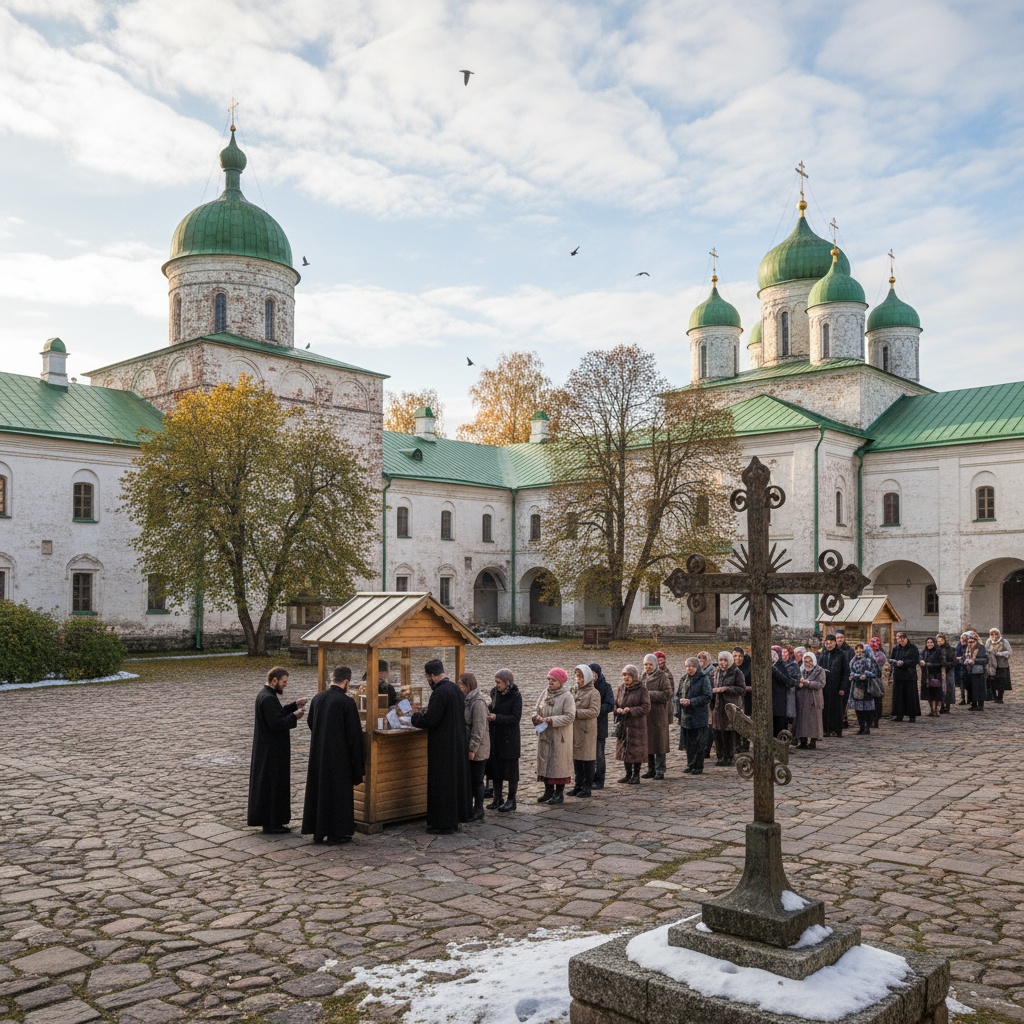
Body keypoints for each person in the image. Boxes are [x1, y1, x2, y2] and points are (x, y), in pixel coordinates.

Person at [301, 665, 364, 845]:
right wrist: (358, 760)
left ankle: (318, 830)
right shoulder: (346, 702)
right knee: (337, 793)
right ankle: (337, 832)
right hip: (339, 755)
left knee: (319, 791)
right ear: (346, 682)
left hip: (319, 753)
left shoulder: (318, 698)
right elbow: (353, 734)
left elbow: (311, 722)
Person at [410, 659, 470, 834]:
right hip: (457, 743)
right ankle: (454, 820)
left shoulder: (439, 693)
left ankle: (443, 823)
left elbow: (431, 720)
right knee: (454, 784)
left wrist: (415, 717)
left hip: (443, 746)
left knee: (442, 785)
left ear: (432, 675)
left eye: (427, 677)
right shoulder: (455, 689)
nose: (428, 681)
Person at [248, 666, 306, 835]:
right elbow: (276, 723)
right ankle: (272, 823)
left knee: (273, 785)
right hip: (271, 751)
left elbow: (277, 713)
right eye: (284, 682)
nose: (285, 685)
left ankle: (274, 821)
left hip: (269, 749)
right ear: (274, 680)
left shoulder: (267, 695)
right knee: (272, 786)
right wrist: (294, 716)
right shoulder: (267, 698)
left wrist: (294, 705)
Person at [533, 668, 576, 804]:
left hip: (560, 737)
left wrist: (551, 720)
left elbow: (570, 716)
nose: (550, 682)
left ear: (560, 682)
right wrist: (536, 717)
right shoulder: (545, 693)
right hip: (545, 734)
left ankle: (559, 793)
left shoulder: (567, 696)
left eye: (553, 680)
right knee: (546, 763)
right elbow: (536, 708)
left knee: (558, 765)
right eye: (549, 679)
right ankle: (548, 791)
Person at [457, 673, 491, 821]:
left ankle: (478, 808)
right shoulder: (466, 700)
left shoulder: (478, 703)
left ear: (467, 685)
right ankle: (468, 807)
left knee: (477, 780)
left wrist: (472, 749)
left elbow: (478, 728)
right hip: (467, 745)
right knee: (469, 779)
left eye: (461, 684)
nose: (459, 687)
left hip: (478, 748)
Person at [487, 669, 522, 812]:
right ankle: (497, 798)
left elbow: (515, 718)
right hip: (496, 737)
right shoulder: (494, 693)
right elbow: (492, 707)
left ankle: (511, 800)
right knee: (496, 769)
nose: (497, 685)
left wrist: (497, 718)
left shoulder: (515, 696)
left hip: (509, 739)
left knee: (511, 771)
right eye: (496, 682)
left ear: (507, 682)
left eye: (499, 682)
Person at [614, 663, 650, 784]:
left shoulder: (642, 689)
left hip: (637, 725)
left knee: (636, 750)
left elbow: (646, 707)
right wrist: (617, 710)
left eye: (629, 675)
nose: (626, 677)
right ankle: (628, 774)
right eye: (624, 675)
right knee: (625, 749)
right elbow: (615, 703)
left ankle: (636, 775)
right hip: (624, 725)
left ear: (634, 676)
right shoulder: (621, 688)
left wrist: (631, 710)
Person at [710, 651, 746, 767]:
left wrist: (727, 689)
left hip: (730, 706)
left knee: (728, 732)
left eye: (725, 660)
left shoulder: (736, 672)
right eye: (720, 660)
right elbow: (712, 686)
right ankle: (720, 756)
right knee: (718, 731)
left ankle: (729, 757)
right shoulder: (716, 671)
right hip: (718, 706)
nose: (722, 663)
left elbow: (742, 689)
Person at [641, 653, 673, 779]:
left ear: (655, 664)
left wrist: (649, 695)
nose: (648, 667)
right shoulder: (643, 676)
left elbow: (667, 694)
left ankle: (660, 769)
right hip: (647, 715)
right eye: (646, 664)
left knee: (659, 742)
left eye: (650, 664)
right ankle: (651, 769)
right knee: (648, 742)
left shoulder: (663, 676)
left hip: (659, 714)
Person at [569, 665, 600, 797]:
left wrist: (576, 713)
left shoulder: (594, 693)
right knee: (577, 759)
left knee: (587, 759)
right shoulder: (574, 690)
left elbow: (594, 711)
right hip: (575, 729)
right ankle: (578, 785)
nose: (579, 679)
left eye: (581, 677)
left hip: (587, 731)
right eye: (577, 676)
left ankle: (587, 787)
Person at [678, 657, 712, 775]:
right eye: (687, 666)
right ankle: (690, 764)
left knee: (699, 743)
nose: (690, 669)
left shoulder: (703, 679)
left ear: (697, 667)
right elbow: (678, 694)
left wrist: (692, 701)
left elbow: (707, 696)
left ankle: (698, 766)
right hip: (686, 717)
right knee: (688, 744)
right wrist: (679, 700)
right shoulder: (684, 679)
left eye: (692, 666)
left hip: (699, 716)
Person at [589, 663, 616, 789]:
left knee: (599, 754)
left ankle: (599, 780)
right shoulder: (586, 687)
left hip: (600, 725)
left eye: (594, 674)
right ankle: (589, 779)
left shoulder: (605, 686)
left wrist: (595, 710)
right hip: (587, 726)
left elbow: (610, 705)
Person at [818, 634, 849, 737]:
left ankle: (837, 729)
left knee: (837, 709)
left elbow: (846, 672)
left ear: (835, 643)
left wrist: (843, 687)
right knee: (825, 709)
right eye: (826, 643)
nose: (828, 645)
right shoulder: (822, 654)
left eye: (830, 643)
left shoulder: (841, 654)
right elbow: (817, 669)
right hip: (824, 686)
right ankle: (826, 729)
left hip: (837, 687)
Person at [794, 652, 825, 748]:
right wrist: (798, 684)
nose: (808, 663)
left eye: (810, 661)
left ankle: (813, 741)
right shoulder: (800, 670)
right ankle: (803, 741)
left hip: (813, 699)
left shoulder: (819, 670)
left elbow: (821, 684)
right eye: (806, 661)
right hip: (802, 699)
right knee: (802, 721)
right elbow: (795, 681)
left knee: (814, 721)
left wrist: (807, 682)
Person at [889, 631, 921, 723]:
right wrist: (895, 663)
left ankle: (912, 715)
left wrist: (904, 663)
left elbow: (915, 660)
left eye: (902, 639)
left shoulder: (913, 648)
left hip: (909, 675)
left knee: (910, 696)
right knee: (899, 696)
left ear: (906, 639)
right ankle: (899, 714)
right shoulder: (896, 648)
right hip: (898, 675)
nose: (901, 641)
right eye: (899, 640)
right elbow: (891, 659)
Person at [848, 643, 880, 735]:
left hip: (868, 687)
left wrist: (866, 674)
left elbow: (876, 673)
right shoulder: (853, 661)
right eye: (857, 651)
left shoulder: (870, 660)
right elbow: (850, 673)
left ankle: (867, 726)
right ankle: (861, 727)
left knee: (868, 709)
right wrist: (857, 676)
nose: (858, 653)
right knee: (858, 709)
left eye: (861, 651)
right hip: (857, 687)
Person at [770, 649, 795, 738]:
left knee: (779, 725)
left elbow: (788, 681)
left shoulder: (780, 666)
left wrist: (774, 671)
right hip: (770, 701)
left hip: (779, 701)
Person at [733, 646, 752, 751]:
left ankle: (745, 745)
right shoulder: (731, 668)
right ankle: (736, 745)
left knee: (745, 721)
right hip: (734, 699)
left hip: (747, 699)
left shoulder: (749, 667)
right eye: (735, 656)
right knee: (735, 721)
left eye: (740, 656)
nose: (738, 658)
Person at [986, 628, 1012, 704]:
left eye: (996, 634)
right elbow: (986, 650)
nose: (994, 636)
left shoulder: (1004, 641)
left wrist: (999, 654)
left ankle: (1000, 698)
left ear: (999, 634)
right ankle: (994, 697)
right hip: (992, 665)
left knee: (1001, 682)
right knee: (992, 681)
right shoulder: (989, 641)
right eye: (992, 634)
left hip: (1002, 665)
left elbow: (1009, 652)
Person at [963, 633, 988, 711]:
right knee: (971, 688)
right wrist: (965, 661)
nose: (970, 644)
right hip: (969, 671)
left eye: (972, 642)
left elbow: (986, 659)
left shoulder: (981, 648)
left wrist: (975, 661)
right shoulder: (967, 649)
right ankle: (973, 704)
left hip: (979, 671)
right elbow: (964, 657)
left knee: (979, 688)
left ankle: (980, 705)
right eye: (969, 642)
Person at [920, 637, 944, 717]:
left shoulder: (938, 651)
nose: (929, 644)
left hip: (936, 674)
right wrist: (921, 661)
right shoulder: (924, 651)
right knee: (929, 693)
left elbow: (941, 663)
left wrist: (928, 664)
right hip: (926, 675)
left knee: (937, 693)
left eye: (931, 642)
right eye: (928, 642)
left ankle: (937, 710)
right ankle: (932, 710)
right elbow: (920, 658)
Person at [868, 636, 887, 726]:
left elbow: (878, 663)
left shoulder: (880, 655)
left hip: (876, 680)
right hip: (868, 680)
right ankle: (870, 719)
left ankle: (876, 719)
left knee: (877, 700)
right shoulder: (867, 653)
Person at [935, 633, 956, 713]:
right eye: (938, 641)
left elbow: (954, 661)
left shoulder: (949, 649)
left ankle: (947, 706)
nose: (939, 642)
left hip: (948, 671)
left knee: (948, 688)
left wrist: (946, 665)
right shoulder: (936, 649)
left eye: (940, 641)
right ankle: (941, 706)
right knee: (940, 688)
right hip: (939, 671)